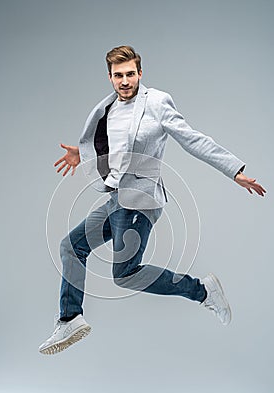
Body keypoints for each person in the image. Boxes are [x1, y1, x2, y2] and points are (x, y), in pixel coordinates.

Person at [39, 45, 266, 355]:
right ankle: (70, 318)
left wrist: (234, 170)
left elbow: (192, 138)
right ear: (110, 77)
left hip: (140, 201)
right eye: (118, 75)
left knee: (125, 274)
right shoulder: (107, 109)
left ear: (140, 73)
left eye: (130, 74)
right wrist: (84, 153)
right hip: (117, 198)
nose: (125, 81)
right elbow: (110, 146)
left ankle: (201, 291)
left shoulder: (156, 103)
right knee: (71, 246)